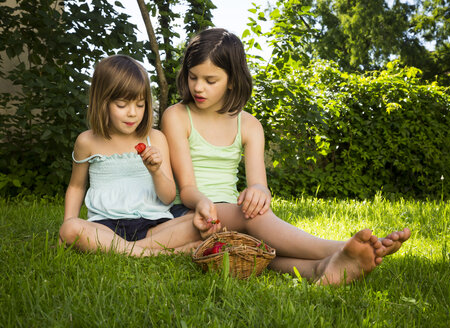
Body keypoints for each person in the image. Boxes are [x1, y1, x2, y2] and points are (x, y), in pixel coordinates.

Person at [161, 28, 411, 285]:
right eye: (193, 77)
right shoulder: (177, 116)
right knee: (252, 218)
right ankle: (341, 248)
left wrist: (258, 192)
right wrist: (207, 203)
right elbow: (188, 189)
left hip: (234, 215)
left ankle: (326, 267)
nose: (198, 87)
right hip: (191, 214)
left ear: (233, 80)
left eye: (210, 81)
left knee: (261, 249)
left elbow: (260, 186)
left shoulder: (249, 125)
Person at [59, 54, 202, 257]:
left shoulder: (156, 138)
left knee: (198, 221)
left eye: (140, 105)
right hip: (106, 227)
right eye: (122, 105)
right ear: (103, 102)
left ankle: (128, 250)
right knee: (70, 228)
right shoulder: (87, 141)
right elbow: (76, 186)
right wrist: (67, 223)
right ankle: (153, 252)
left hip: (154, 225)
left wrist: (156, 172)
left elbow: (168, 197)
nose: (133, 113)